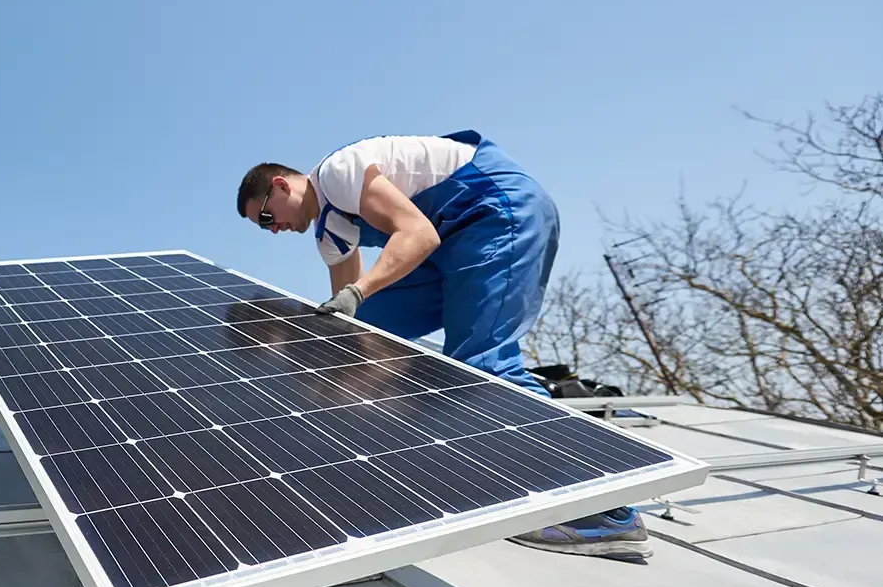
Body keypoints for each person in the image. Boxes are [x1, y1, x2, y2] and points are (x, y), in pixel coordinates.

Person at [235, 131, 651, 562]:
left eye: (266, 217)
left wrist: (358, 293)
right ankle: (431, 433)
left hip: (493, 213)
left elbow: (418, 235)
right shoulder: (331, 233)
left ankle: (602, 508)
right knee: (369, 337)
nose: (273, 230)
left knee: (485, 366)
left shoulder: (338, 173)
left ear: (281, 186)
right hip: (452, 243)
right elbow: (350, 329)